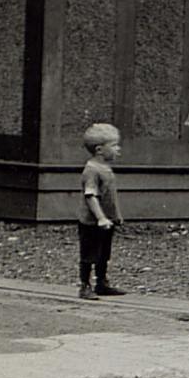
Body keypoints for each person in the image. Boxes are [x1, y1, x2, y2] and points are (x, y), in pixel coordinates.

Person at [77, 122, 126, 299]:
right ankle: (84, 285)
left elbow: (110, 197)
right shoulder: (91, 170)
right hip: (92, 221)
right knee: (89, 253)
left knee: (104, 253)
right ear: (99, 149)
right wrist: (100, 218)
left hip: (107, 220)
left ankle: (101, 283)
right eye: (114, 146)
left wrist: (115, 216)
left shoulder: (105, 169)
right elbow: (91, 196)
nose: (118, 149)